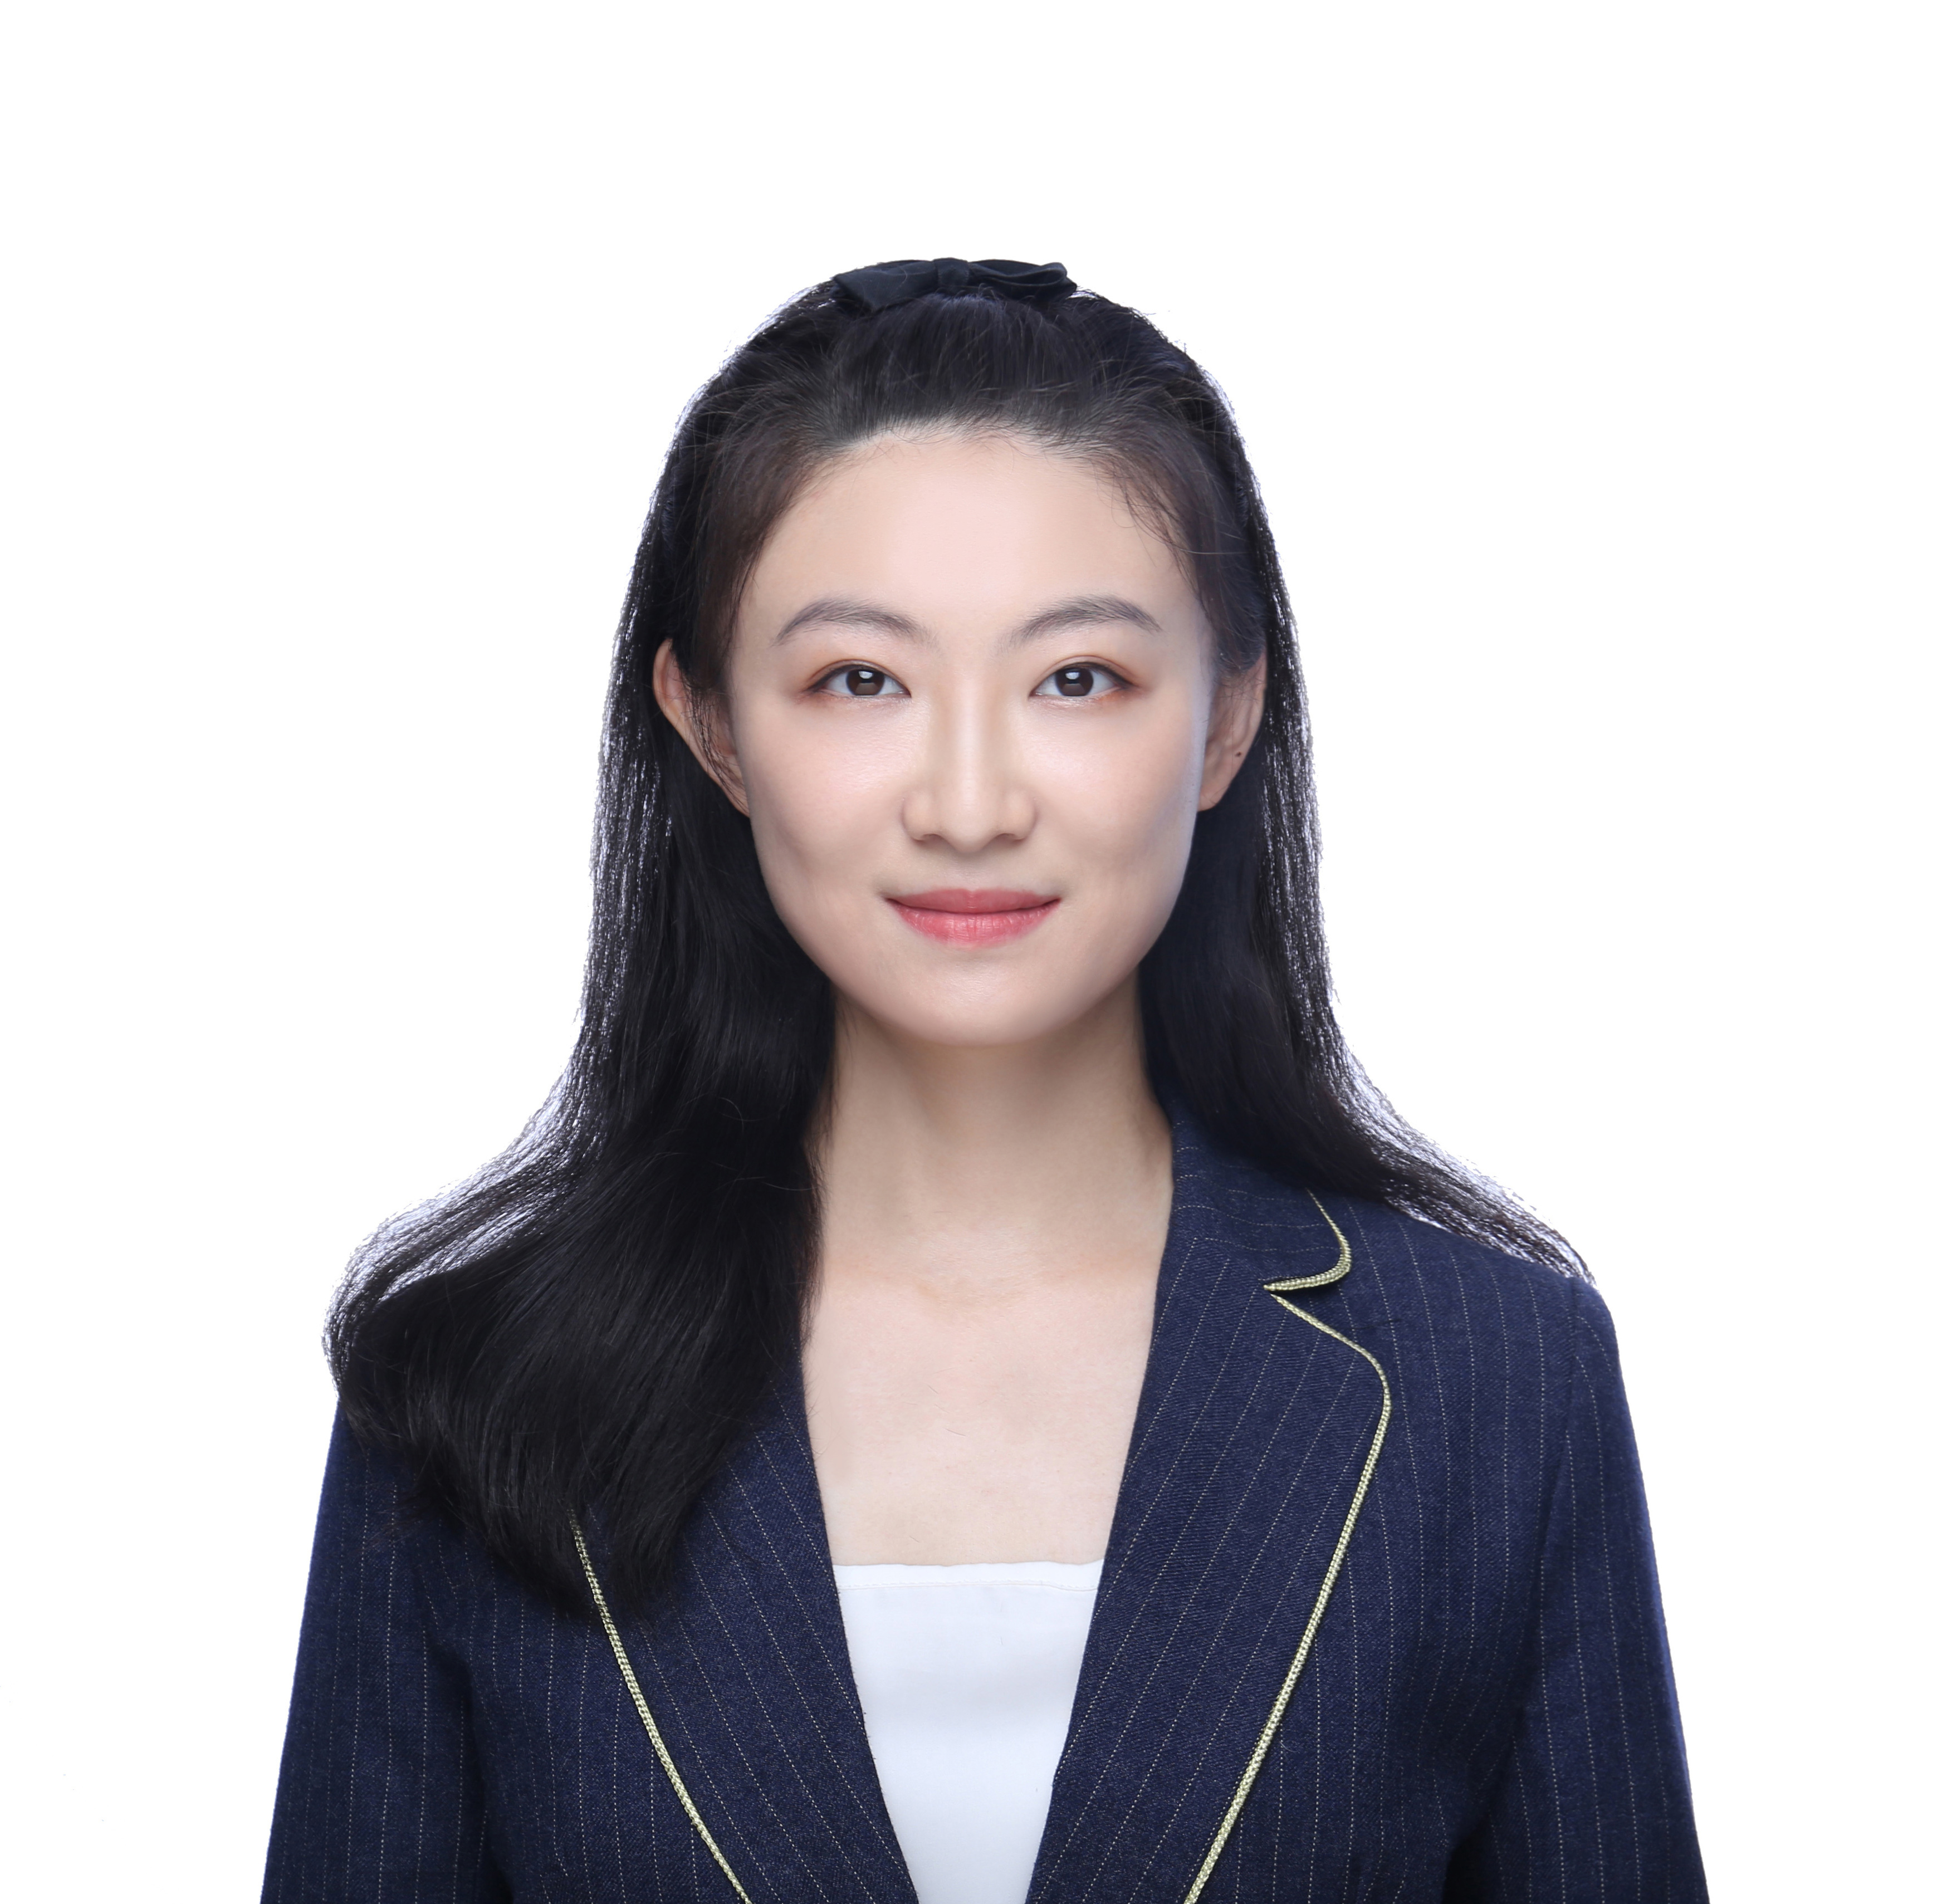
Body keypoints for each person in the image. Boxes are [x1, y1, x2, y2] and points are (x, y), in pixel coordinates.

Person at [263, 258, 1707, 1903]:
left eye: (1077, 679)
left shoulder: (1495, 1382)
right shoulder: (468, 1384)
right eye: (860, 681)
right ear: (712, 726)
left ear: (1227, 718)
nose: (968, 803)